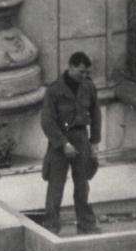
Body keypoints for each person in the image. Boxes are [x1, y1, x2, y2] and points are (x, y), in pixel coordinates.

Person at [40, 51, 101, 235]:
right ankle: (51, 226)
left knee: (82, 185)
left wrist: (94, 142)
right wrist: (63, 144)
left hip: (81, 139)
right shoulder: (54, 90)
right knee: (56, 186)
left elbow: (96, 115)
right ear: (71, 66)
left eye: (87, 72)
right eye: (81, 71)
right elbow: (47, 121)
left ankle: (86, 224)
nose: (84, 75)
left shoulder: (88, 87)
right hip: (59, 141)